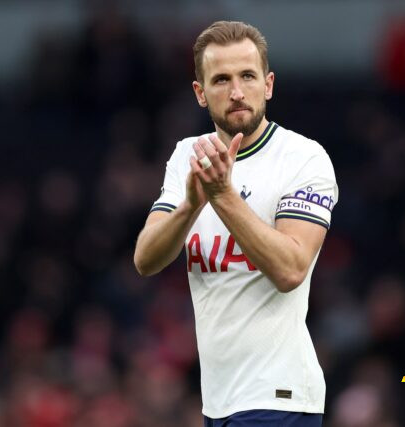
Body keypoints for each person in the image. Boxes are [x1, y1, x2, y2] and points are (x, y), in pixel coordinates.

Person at [133, 21, 338, 427]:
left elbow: (291, 268)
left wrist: (222, 196)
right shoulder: (187, 156)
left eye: (247, 76)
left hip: (279, 396)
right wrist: (190, 204)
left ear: (269, 84)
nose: (237, 91)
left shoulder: (303, 158)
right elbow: (146, 259)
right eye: (221, 79)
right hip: (218, 399)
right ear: (200, 93)